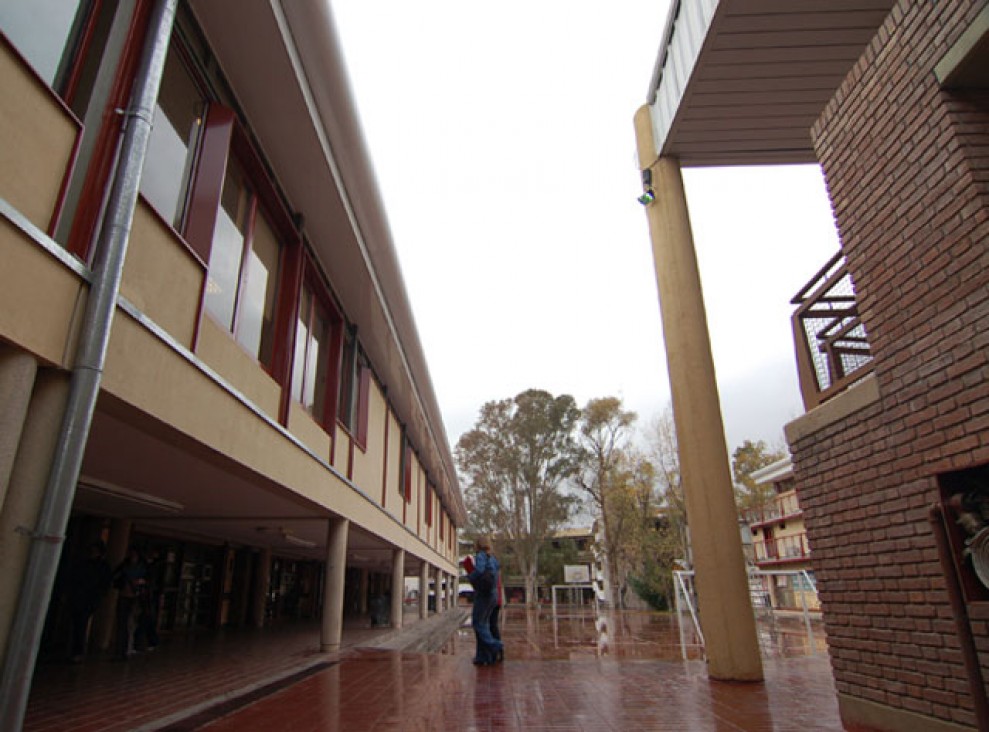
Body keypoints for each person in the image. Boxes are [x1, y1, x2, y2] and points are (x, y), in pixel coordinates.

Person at [65, 541, 112, 663]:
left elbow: (105, 584)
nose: (93, 552)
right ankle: (73, 649)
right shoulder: (83, 564)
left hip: (89, 599)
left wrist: (97, 597)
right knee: (76, 623)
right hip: (78, 598)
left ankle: (78, 651)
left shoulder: (102, 567)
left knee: (81, 624)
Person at [464, 537, 504, 666]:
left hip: (484, 594)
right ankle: (483, 657)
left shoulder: (481, 556)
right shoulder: (492, 558)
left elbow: (479, 570)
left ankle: (496, 645)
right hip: (493, 594)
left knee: (478, 623)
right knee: (485, 624)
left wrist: (470, 576)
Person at [112, 547, 148, 659]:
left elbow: (148, 579)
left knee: (130, 624)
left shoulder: (143, 567)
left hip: (136, 597)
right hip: (124, 595)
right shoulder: (124, 566)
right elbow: (115, 576)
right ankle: (120, 650)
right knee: (122, 623)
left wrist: (139, 582)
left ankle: (128, 649)